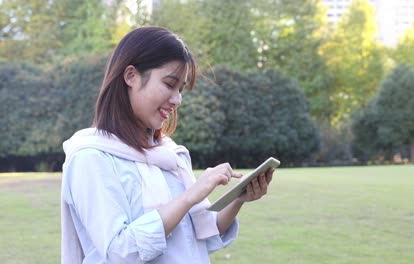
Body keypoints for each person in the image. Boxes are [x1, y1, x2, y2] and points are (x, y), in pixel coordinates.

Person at [60, 26, 275, 263]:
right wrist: (189, 197)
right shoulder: (90, 158)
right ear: (131, 76)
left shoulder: (169, 155)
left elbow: (197, 237)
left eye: (181, 89)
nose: (177, 100)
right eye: (169, 84)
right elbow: (121, 251)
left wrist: (238, 199)